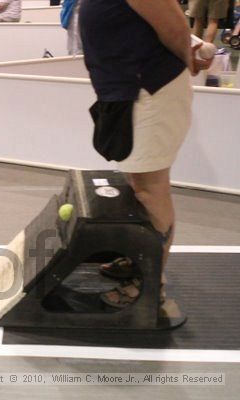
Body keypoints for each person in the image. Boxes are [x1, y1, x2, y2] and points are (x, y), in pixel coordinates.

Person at [78, 0, 212, 307]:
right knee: (139, 184)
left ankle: (151, 282)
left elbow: (174, 27)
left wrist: (192, 54)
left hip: (151, 90)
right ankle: (137, 257)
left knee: (151, 189)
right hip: (129, 91)